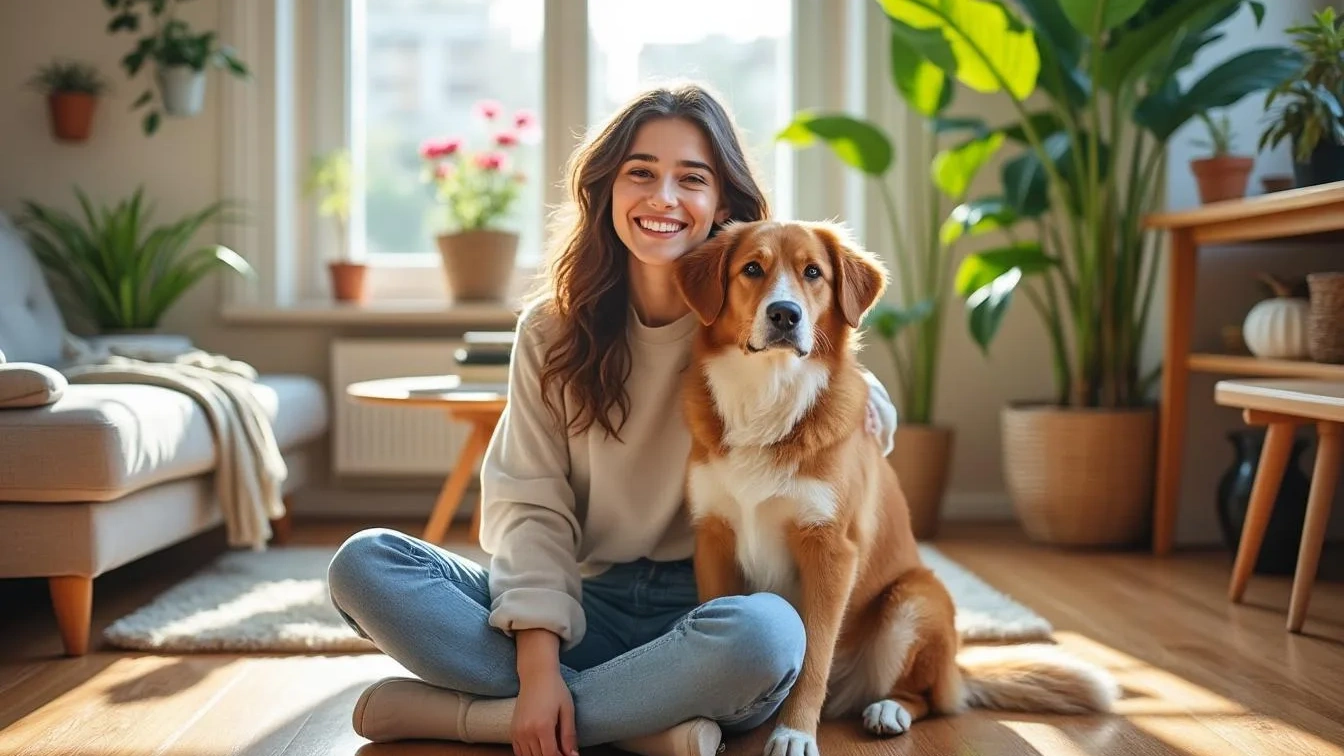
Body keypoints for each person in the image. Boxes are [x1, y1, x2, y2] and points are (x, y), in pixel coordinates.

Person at [326, 82, 898, 756]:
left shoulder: (740, 316)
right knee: (365, 564)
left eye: (692, 179)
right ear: (606, 192)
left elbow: (811, 352)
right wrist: (539, 670)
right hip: (581, 604)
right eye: (641, 174)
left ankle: (471, 719)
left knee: (768, 636)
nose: (664, 198)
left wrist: (869, 391)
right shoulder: (550, 329)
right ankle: (643, 726)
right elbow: (528, 505)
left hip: (705, 614)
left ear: (722, 203)